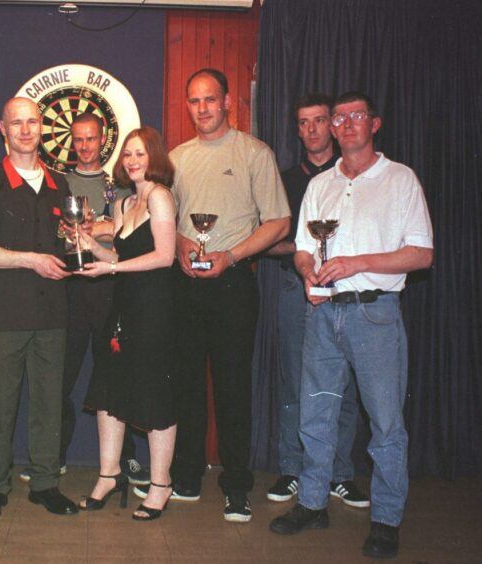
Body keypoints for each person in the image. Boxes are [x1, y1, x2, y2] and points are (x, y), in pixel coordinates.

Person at [270, 92, 433, 559]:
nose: (345, 124)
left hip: (375, 313)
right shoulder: (321, 183)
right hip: (323, 313)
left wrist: (355, 263)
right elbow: (303, 247)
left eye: (355, 116)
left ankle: (385, 518)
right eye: (339, 118)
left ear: (374, 123)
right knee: (314, 414)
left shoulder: (400, 179)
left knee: (385, 422)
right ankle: (313, 502)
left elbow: (422, 254)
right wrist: (308, 273)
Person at [167, 68, 290, 522]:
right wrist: (182, 244)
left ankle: (236, 485)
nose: (202, 108)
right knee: (187, 384)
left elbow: (278, 222)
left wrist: (232, 256)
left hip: (233, 284)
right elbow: (168, 218)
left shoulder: (254, 153)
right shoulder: (176, 158)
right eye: (194, 100)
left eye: (210, 100)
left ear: (228, 102)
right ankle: (187, 474)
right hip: (186, 284)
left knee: (234, 388)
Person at [0, 97, 77, 520]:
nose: (25, 130)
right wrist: (30, 259)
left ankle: (45, 483)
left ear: (42, 128)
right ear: (2, 130)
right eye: (16, 123)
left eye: (32, 122)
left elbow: (72, 245)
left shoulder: (61, 184)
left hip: (53, 315)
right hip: (4, 314)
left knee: (49, 404)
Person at [17, 112, 148, 486]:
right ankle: (52, 457)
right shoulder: (57, 182)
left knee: (117, 372)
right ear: (70, 142)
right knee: (60, 377)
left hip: (109, 287)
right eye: (78, 139)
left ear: (103, 139)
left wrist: (100, 231)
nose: (84, 146)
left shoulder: (119, 184)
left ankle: (127, 459)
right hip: (70, 290)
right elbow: (50, 232)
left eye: (91, 139)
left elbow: (129, 235)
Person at [266, 94, 368, 508]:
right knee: (295, 382)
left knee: (344, 386)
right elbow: (269, 241)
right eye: (303, 123)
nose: (311, 130)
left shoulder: (354, 177)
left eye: (319, 121)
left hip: (345, 294)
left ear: (333, 124)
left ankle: (337, 473)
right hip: (297, 291)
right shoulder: (286, 179)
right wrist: (303, 250)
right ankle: (292, 468)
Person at [76, 127, 177, 521]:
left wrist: (112, 265)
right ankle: (109, 475)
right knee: (109, 391)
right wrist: (87, 245)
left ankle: (160, 485)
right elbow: (116, 254)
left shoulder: (160, 197)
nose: (132, 161)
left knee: (154, 395)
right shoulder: (123, 204)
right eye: (127, 155)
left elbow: (165, 256)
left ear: (155, 157)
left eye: (140, 153)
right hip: (123, 307)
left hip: (155, 310)